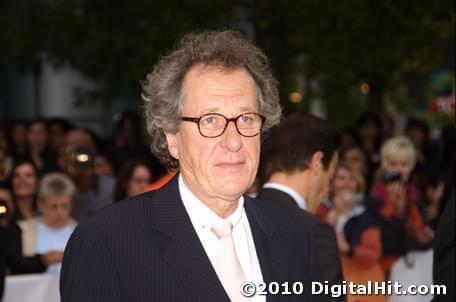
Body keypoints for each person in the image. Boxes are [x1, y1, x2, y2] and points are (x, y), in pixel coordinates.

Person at [61, 30, 323, 302]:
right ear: (172, 137)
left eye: (246, 118)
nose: (233, 142)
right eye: (210, 120)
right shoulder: (106, 242)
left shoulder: (295, 236)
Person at [256, 112, 344, 301]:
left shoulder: (234, 218)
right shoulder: (313, 231)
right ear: (317, 162)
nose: (328, 190)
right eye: (332, 173)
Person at [369, 136, 433, 273]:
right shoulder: (375, 195)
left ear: (411, 166)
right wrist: (393, 208)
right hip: (381, 265)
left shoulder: (415, 195)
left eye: (404, 164)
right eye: (393, 164)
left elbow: (422, 232)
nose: (399, 169)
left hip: (411, 265)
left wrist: (406, 208)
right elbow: (376, 233)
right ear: (384, 164)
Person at [18, 173, 77, 273]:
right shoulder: (23, 230)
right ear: (40, 204)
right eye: (54, 206)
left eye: (64, 206)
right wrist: (42, 261)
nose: (60, 212)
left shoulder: (79, 230)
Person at [58, 128, 116, 222]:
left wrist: (87, 179)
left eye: (83, 150)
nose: (79, 156)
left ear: (94, 153)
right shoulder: (55, 187)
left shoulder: (112, 187)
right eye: (71, 151)